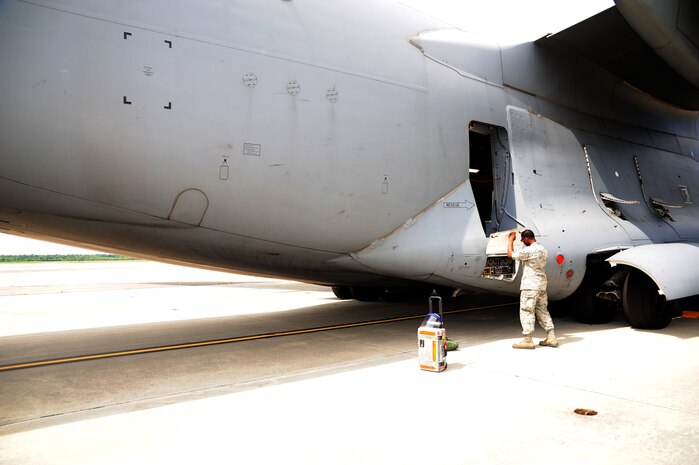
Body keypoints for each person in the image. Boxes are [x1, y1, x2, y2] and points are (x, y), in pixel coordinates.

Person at [507, 229, 558, 349]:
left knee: (527, 310)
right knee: (542, 310)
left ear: (526, 238)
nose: (523, 242)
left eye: (522, 240)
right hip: (541, 284)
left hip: (530, 285)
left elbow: (511, 255)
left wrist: (510, 240)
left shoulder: (529, 250)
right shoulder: (543, 250)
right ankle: (551, 337)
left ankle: (528, 339)